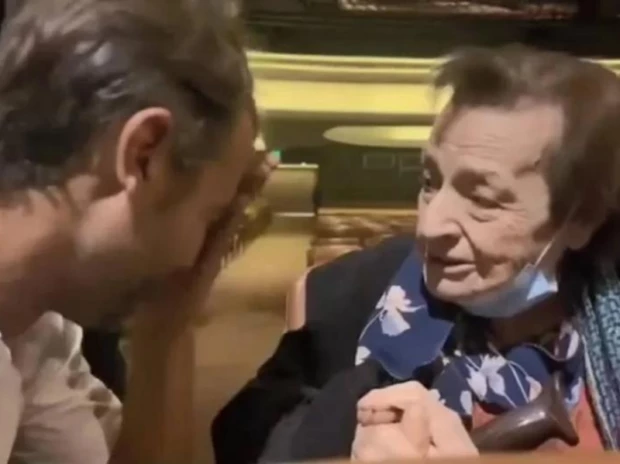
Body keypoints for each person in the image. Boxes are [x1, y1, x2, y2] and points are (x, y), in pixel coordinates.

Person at [212, 44, 620, 463]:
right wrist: (348, 437)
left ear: (582, 219)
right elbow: (242, 436)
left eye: (483, 200)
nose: (430, 226)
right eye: (430, 182)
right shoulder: (353, 290)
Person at [0, 0, 273, 463]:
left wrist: (163, 335)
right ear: (145, 154)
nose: (192, 257)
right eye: (208, 215)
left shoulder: (32, 330)